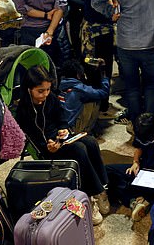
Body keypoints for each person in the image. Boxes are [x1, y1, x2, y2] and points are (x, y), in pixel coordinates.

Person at [15, 65, 110, 225]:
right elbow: (31, 138)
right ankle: (92, 194)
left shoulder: (50, 98)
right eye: (40, 91)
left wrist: (63, 129)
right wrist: (48, 145)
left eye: (47, 89)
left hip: (61, 138)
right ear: (29, 89)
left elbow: (62, 119)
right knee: (80, 149)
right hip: (46, 146)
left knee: (91, 142)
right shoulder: (23, 110)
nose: (45, 94)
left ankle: (102, 189)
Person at [106, 113, 154, 222]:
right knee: (108, 171)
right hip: (142, 171)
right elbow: (138, 149)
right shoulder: (141, 130)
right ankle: (138, 200)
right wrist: (135, 162)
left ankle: (139, 199)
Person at [58, 59, 110, 132]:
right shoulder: (80, 89)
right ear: (78, 75)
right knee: (95, 99)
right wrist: (103, 74)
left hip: (59, 125)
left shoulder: (60, 84)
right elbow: (104, 93)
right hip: (70, 127)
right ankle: (86, 130)